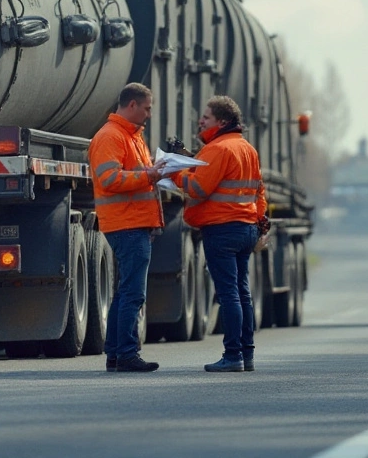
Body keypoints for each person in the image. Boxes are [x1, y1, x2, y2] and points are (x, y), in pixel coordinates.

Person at [168, 95, 268, 373]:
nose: (201, 120)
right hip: (246, 228)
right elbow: (259, 191)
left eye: (206, 117)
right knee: (242, 293)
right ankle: (246, 354)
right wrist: (259, 221)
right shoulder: (247, 149)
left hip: (222, 229)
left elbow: (198, 188)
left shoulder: (218, 149)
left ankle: (232, 354)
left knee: (228, 295)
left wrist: (174, 171)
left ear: (222, 122)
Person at [88, 82, 165, 373]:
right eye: (146, 108)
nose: (149, 114)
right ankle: (127, 354)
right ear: (131, 105)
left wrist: (153, 172)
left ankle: (117, 354)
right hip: (127, 223)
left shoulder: (131, 136)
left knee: (125, 292)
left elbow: (132, 173)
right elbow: (109, 179)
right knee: (133, 293)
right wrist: (149, 176)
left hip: (132, 222)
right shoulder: (112, 137)